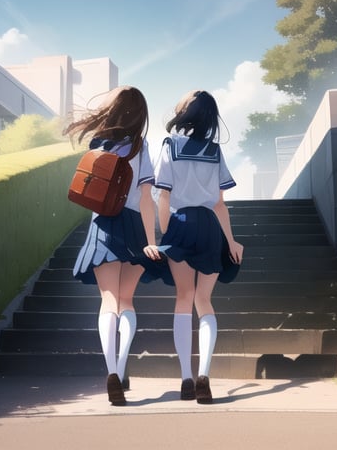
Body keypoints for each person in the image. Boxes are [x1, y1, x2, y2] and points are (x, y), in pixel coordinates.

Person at [65, 86, 164, 407]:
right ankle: (121, 369)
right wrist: (152, 241)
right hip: (134, 226)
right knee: (126, 300)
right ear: (140, 114)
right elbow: (147, 196)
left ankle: (109, 370)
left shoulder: (97, 145)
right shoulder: (141, 147)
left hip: (103, 225)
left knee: (108, 299)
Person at [153, 89, 243, 405]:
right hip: (210, 227)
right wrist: (231, 241)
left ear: (188, 110)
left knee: (183, 298)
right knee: (204, 300)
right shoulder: (215, 151)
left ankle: (186, 378)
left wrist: (166, 237)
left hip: (180, 223)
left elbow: (163, 195)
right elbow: (220, 204)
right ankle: (205, 374)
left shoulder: (170, 146)